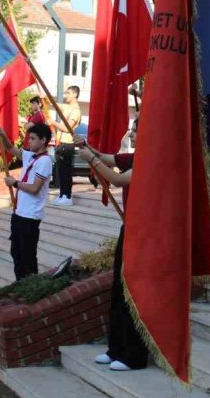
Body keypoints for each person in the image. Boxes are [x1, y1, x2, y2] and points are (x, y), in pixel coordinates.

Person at [74, 131, 149, 373]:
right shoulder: (134, 156)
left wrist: (91, 160)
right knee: (118, 289)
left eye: (137, 130)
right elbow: (108, 158)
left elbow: (117, 180)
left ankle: (134, 355)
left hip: (144, 233)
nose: (132, 134)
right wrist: (87, 148)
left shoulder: (151, 159)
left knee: (132, 293)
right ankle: (116, 348)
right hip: (129, 228)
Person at [0, 122, 53, 280]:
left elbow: (35, 188)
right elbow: (10, 149)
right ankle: (20, 283)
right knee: (16, 253)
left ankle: (31, 285)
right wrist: (3, 136)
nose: (29, 141)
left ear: (43, 140)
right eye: (29, 138)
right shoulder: (30, 156)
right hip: (19, 213)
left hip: (30, 215)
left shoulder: (44, 161)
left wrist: (15, 183)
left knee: (27, 256)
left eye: (33, 138)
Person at [51, 85, 82, 206]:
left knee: (66, 172)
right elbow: (55, 104)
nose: (66, 95)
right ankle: (62, 194)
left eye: (68, 93)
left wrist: (53, 123)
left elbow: (66, 128)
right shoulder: (67, 107)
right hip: (61, 143)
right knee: (60, 171)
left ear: (75, 95)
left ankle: (67, 196)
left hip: (67, 144)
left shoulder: (76, 111)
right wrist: (45, 97)